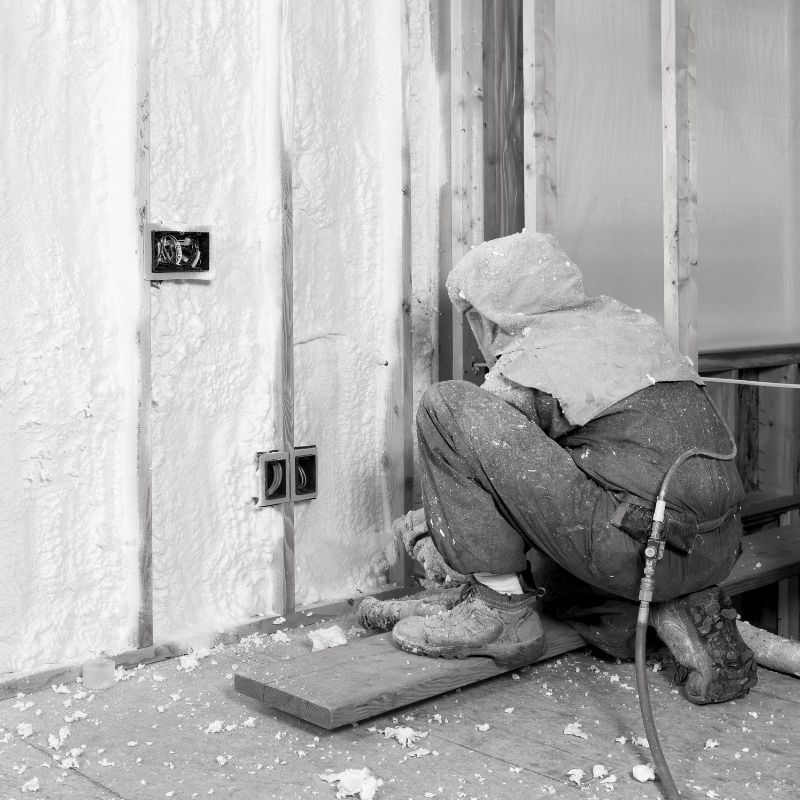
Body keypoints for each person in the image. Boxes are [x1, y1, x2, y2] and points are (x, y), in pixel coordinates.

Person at [388, 231, 757, 705]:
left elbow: (489, 481)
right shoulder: (631, 325)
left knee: (447, 405)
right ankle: (665, 610)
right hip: (715, 546)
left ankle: (498, 612)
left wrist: (433, 534)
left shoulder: (534, 359)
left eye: (473, 321)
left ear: (492, 318)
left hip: (635, 546)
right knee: (549, 571)